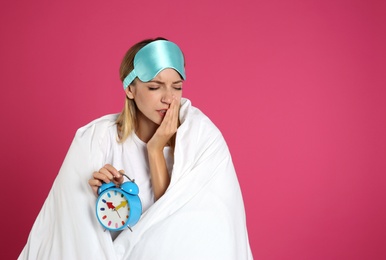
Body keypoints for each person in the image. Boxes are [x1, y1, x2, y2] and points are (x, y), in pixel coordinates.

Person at [19, 37, 253, 260]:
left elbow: (182, 234)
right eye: (154, 87)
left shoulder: (201, 142)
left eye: (177, 87)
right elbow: (71, 233)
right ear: (130, 89)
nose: (169, 98)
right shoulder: (96, 140)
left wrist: (155, 150)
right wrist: (94, 197)